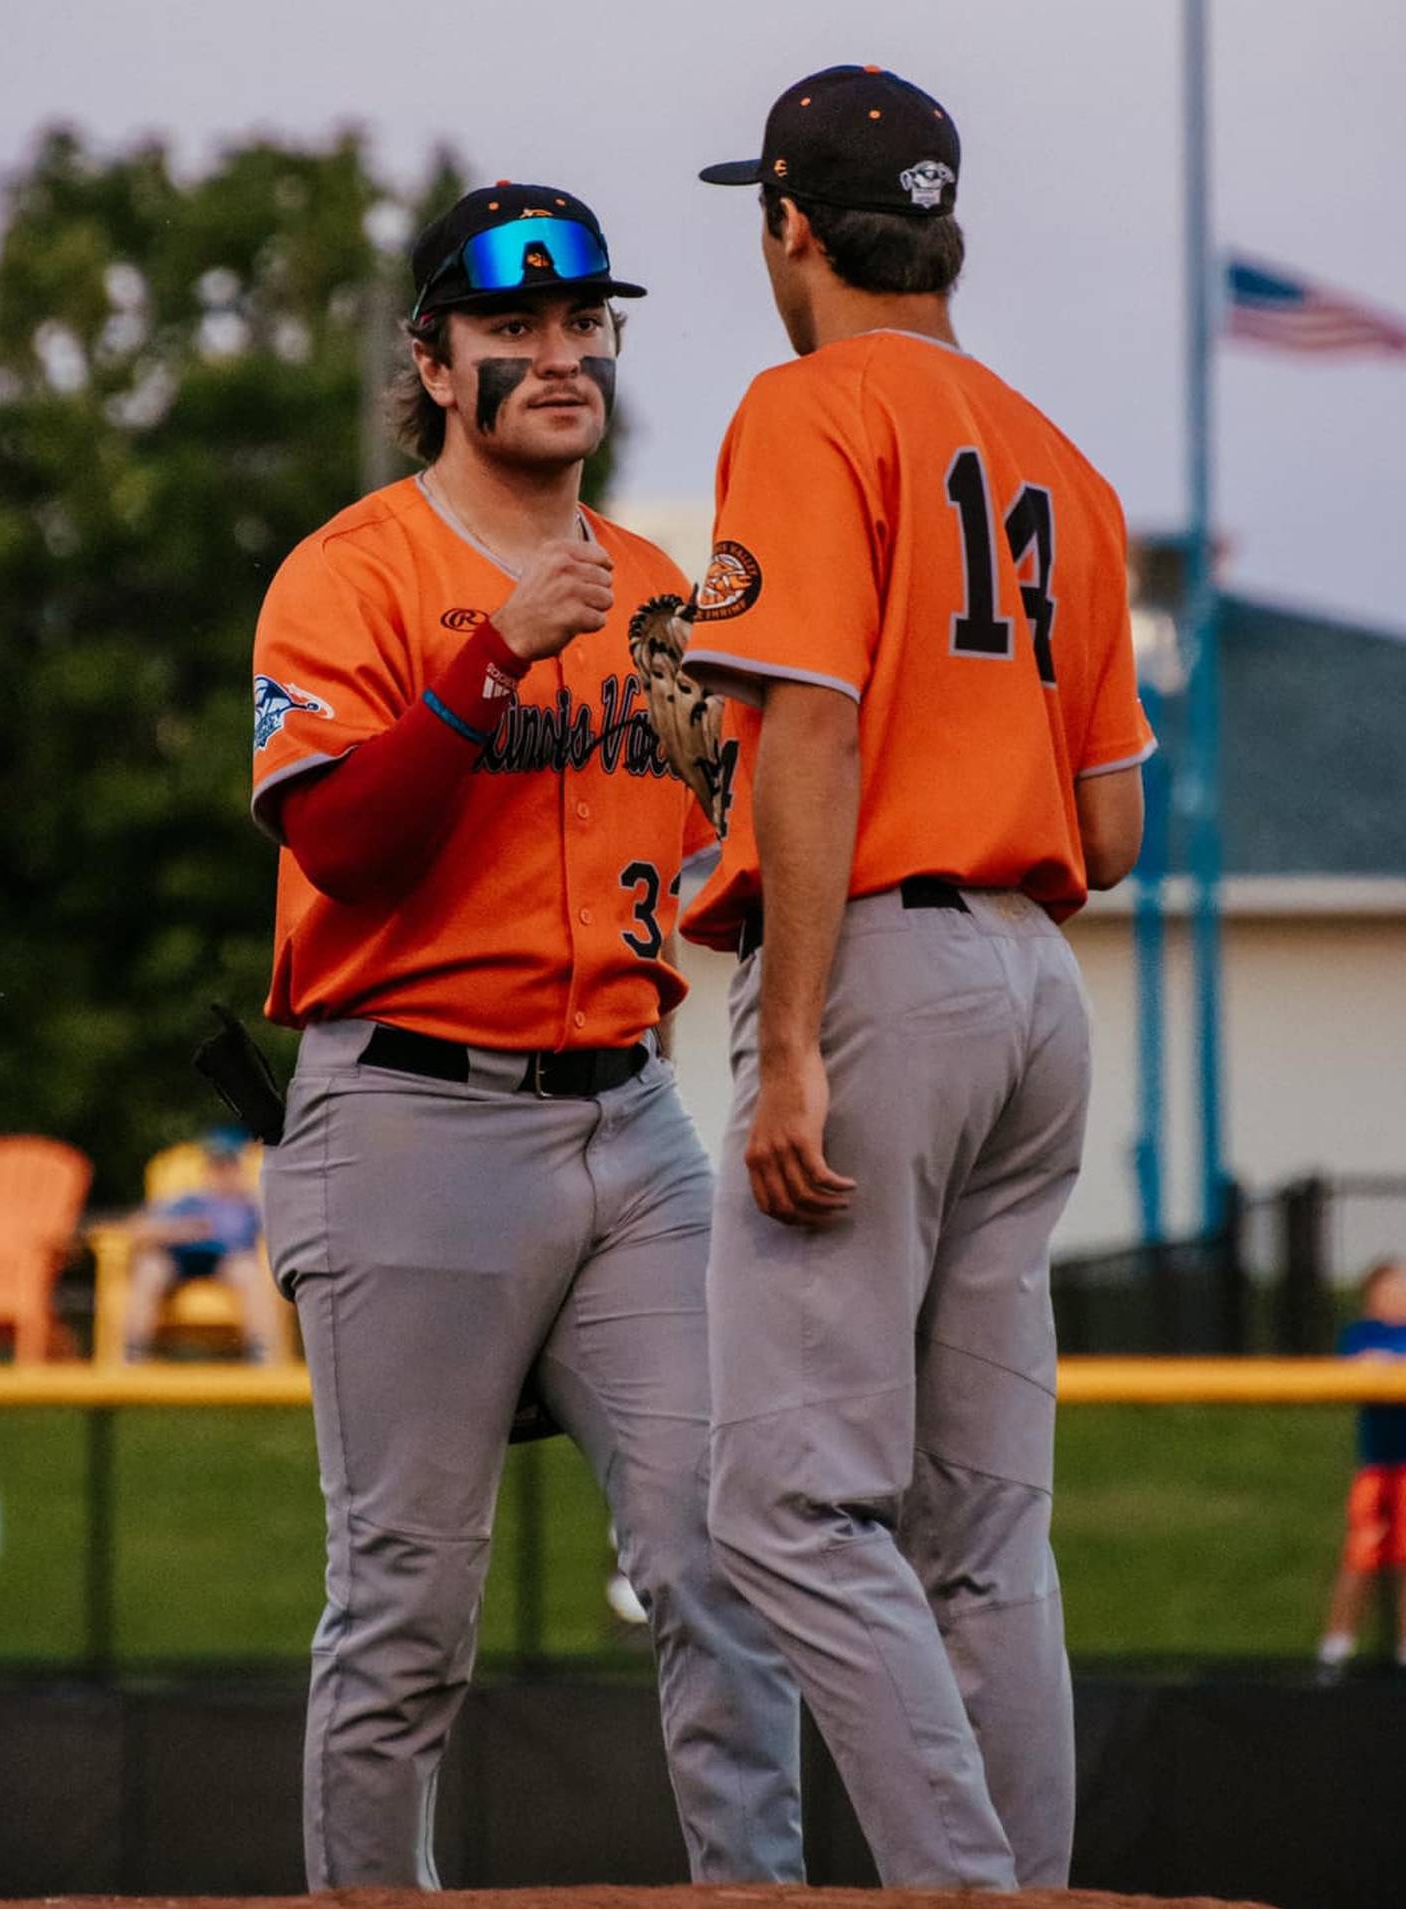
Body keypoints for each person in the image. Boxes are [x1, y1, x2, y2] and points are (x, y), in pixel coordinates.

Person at [250, 182, 800, 1889]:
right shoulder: (351, 571)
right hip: (416, 1109)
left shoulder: (656, 584)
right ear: (434, 362)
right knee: (408, 1604)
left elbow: (739, 839)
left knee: (731, 1556)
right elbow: (341, 842)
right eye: (516, 330)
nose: (562, 356)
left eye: (585, 324)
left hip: (634, 1119)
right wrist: (490, 655)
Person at [677, 66, 1154, 1892]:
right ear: (940, 228)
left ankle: (961, 1891)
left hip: (886, 962)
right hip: (1039, 989)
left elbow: (808, 720)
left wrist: (788, 1042)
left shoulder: (807, 406)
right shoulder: (1065, 461)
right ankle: (1014, 1877)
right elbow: (1110, 828)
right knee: (982, 1532)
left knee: (788, 1503)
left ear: (791, 223)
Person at [1317, 1259, 1406, 1673]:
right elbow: (1354, 1365)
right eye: (1390, 1290)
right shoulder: (1364, 1334)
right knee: (1361, 1555)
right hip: (1377, 1466)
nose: (1398, 1298)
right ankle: (1337, 1644)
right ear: (1372, 1297)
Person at [123, 1126, 275, 1362]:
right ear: (207, 1170)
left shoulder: (249, 1205)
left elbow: (277, 1227)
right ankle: (135, 1352)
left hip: (227, 1261)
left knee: (248, 1271)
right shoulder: (188, 1201)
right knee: (150, 1269)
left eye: (229, 1167)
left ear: (239, 1169)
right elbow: (138, 1229)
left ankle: (261, 1353)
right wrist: (179, 1232)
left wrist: (255, 1193)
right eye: (216, 1166)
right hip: (178, 1258)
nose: (222, 1173)